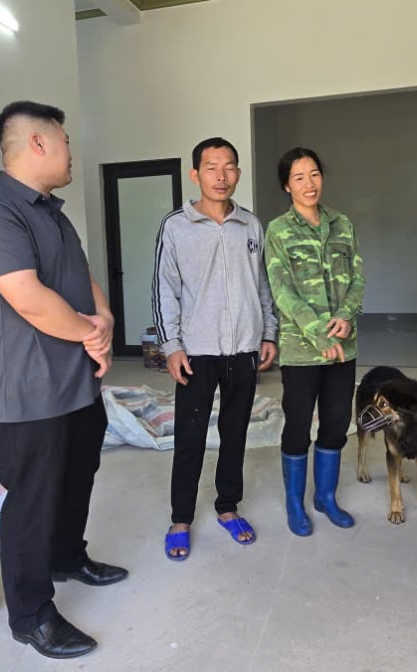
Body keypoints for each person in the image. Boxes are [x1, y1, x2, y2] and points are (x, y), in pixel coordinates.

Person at [0, 101, 128, 659]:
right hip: (28, 393)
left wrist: (101, 325)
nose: (72, 151)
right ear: (37, 143)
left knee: (79, 475)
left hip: (76, 382)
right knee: (32, 499)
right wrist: (89, 333)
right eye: (67, 141)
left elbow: (83, 277)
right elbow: (29, 300)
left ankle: (68, 557)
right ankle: (31, 614)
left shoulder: (54, 212)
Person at [152, 137, 278, 561]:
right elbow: (165, 290)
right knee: (189, 438)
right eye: (211, 167)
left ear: (238, 173)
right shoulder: (176, 226)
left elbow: (262, 286)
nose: (221, 176)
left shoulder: (251, 226)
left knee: (235, 434)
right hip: (197, 352)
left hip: (244, 349)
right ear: (196, 175)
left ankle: (228, 508)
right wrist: (171, 346)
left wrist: (269, 333)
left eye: (229, 167)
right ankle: (181, 518)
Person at [263, 147, 365, 537]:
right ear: (287, 185)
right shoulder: (278, 231)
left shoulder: (342, 223)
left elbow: (358, 277)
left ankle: (325, 496)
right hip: (302, 349)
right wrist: (318, 333)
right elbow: (281, 290)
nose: (310, 184)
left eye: (315, 174)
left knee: (338, 421)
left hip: (343, 344)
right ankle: (295, 502)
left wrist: (345, 315)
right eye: (300, 177)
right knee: (298, 423)